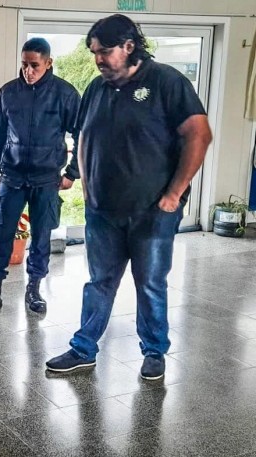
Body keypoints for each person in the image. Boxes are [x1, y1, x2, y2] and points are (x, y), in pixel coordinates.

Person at [45, 15, 212, 380]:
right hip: (103, 211)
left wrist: (173, 195)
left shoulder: (166, 81)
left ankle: (154, 351)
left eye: (105, 52)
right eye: (94, 53)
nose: (98, 60)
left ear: (129, 46)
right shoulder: (96, 88)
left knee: (149, 283)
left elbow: (199, 135)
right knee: (98, 282)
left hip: (152, 211)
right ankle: (84, 348)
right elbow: (84, 137)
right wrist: (83, 181)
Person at [0, 37, 81, 317]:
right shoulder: (8, 92)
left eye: (35, 65)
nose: (28, 71)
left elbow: (83, 133)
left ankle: (34, 289)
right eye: (24, 65)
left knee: (42, 237)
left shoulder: (65, 94)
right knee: (1, 235)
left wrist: (72, 173)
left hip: (46, 179)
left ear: (48, 63)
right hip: (12, 176)